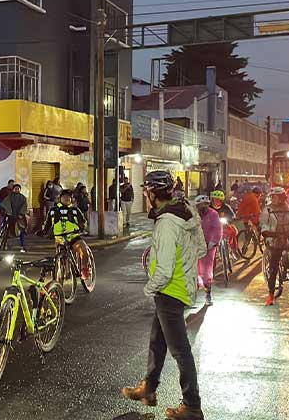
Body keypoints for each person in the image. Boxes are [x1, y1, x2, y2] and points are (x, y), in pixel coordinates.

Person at [122, 171, 206, 420]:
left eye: (146, 191)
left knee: (180, 350)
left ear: (151, 194)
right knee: (157, 342)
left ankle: (192, 405)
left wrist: (149, 288)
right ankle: (149, 389)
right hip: (179, 287)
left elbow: (165, 268)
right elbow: (200, 248)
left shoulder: (166, 222)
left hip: (169, 289)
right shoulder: (186, 211)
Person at [260, 187, 289, 306]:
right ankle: (271, 295)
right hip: (275, 241)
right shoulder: (268, 209)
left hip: (288, 238)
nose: (273, 199)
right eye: (272, 197)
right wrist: (269, 233)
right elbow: (264, 225)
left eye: (275, 197)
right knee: (273, 268)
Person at [41, 189, 90, 280]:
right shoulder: (53, 210)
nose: (66, 198)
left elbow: (83, 221)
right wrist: (43, 231)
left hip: (73, 236)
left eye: (69, 197)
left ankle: (85, 269)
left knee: (83, 250)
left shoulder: (75, 210)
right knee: (59, 258)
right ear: (60, 198)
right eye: (64, 197)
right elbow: (47, 223)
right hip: (59, 237)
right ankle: (59, 278)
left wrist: (82, 227)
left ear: (72, 199)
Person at [195, 195, 221, 306]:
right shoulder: (193, 215)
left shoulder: (213, 214)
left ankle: (208, 295)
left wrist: (213, 241)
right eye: (201, 205)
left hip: (208, 246)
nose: (204, 207)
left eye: (206, 204)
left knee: (206, 271)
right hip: (194, 245)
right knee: (191, 269)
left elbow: (217, 229)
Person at [2, 183, 29, 253]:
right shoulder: (9, 197)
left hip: (19, 217)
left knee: (22, 231)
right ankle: (5, 245)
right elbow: (5, 204)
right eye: (15, 188)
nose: (17, 190)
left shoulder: (23, 198)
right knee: (7, 231)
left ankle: (23, 246)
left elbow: (24, 207)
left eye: (18, 189)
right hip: (10, 216)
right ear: (13, 189)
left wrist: (21, 214)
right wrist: (8, 212)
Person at [210, 190, 238, 254]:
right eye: (215, 199)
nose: (216, 201)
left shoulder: (226, 207)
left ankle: (233, 250)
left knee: (233, 232)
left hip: (224, 225)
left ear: (221, 201)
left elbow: (232, 215)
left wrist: (232, 219)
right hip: (212, 227)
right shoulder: (209, 207)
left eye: (218, 200)